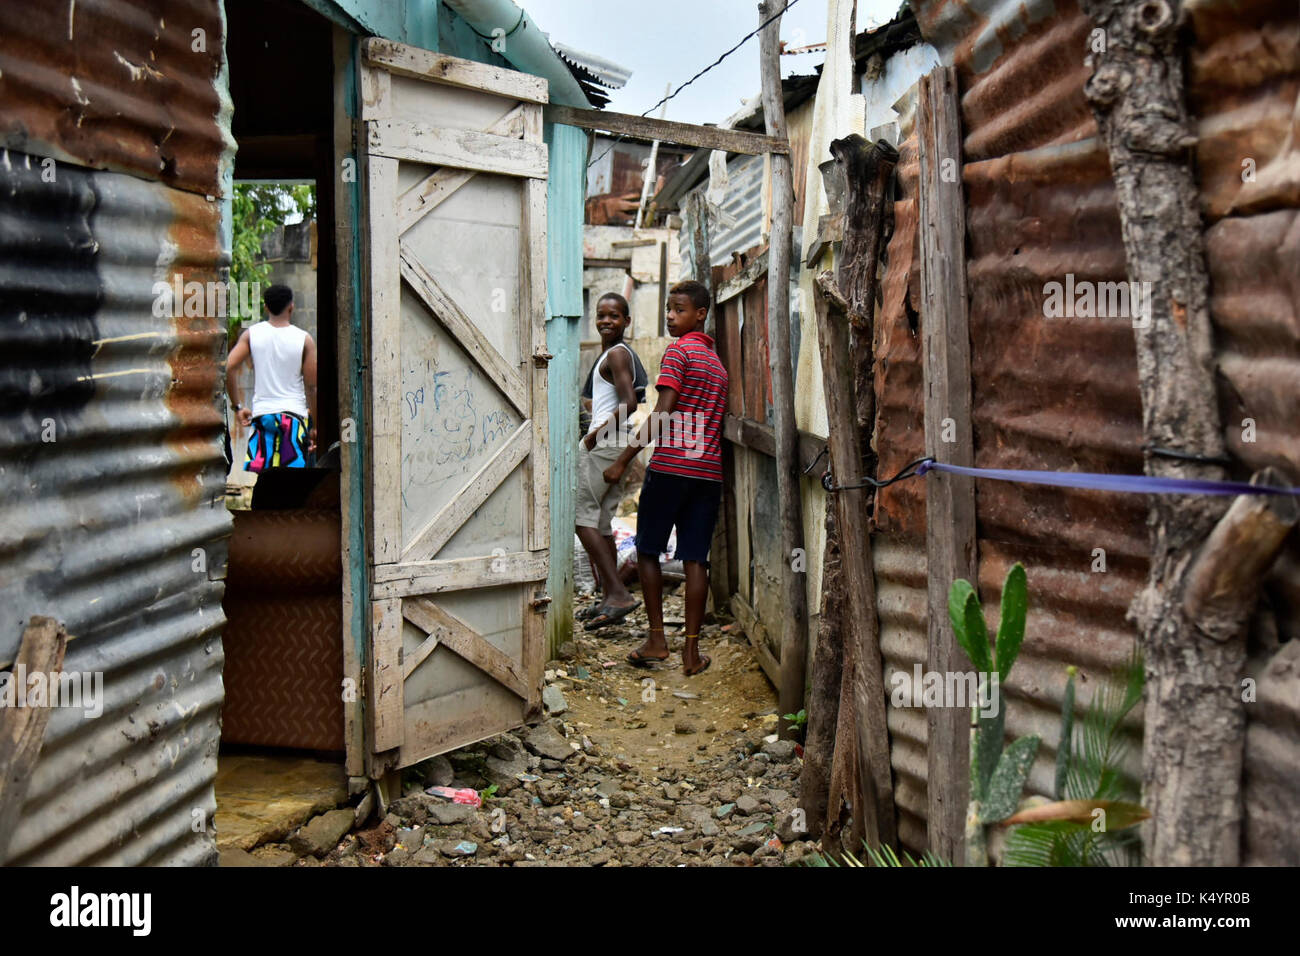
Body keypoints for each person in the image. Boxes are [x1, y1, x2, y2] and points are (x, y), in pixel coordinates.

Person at [602, 280, 728, 676]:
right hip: (707, 472)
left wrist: (624, 459)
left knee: (648, 551)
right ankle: (691, 654)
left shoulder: (678, 352)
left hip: (672, 467)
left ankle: (657, 641)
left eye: (679, 310)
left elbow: (663, 412)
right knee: (695, 559)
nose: (670, 317)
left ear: (701, 313)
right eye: (668, 310)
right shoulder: (717, 364)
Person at [576, 293, 645, 631]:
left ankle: (617, 593)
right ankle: (610, 595)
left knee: (581, 518)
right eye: (601, 315)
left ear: (626, 321)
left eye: (614, 316)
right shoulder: (613, 353)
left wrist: (594, 433)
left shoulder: (617, 354)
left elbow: (630, 403)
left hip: (605, 442)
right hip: (615, 442)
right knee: (601, 522)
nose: (606, 321)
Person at [226, 284, 318, 475]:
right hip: (293, 417)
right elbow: (311, 387)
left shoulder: (252, 334)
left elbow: (229, 367)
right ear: (291, 307)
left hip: (263, 416)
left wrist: (238, 407)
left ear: (266, 307)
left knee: (264, 480)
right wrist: (315, 425)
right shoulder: (304, 339)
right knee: (293, 481)